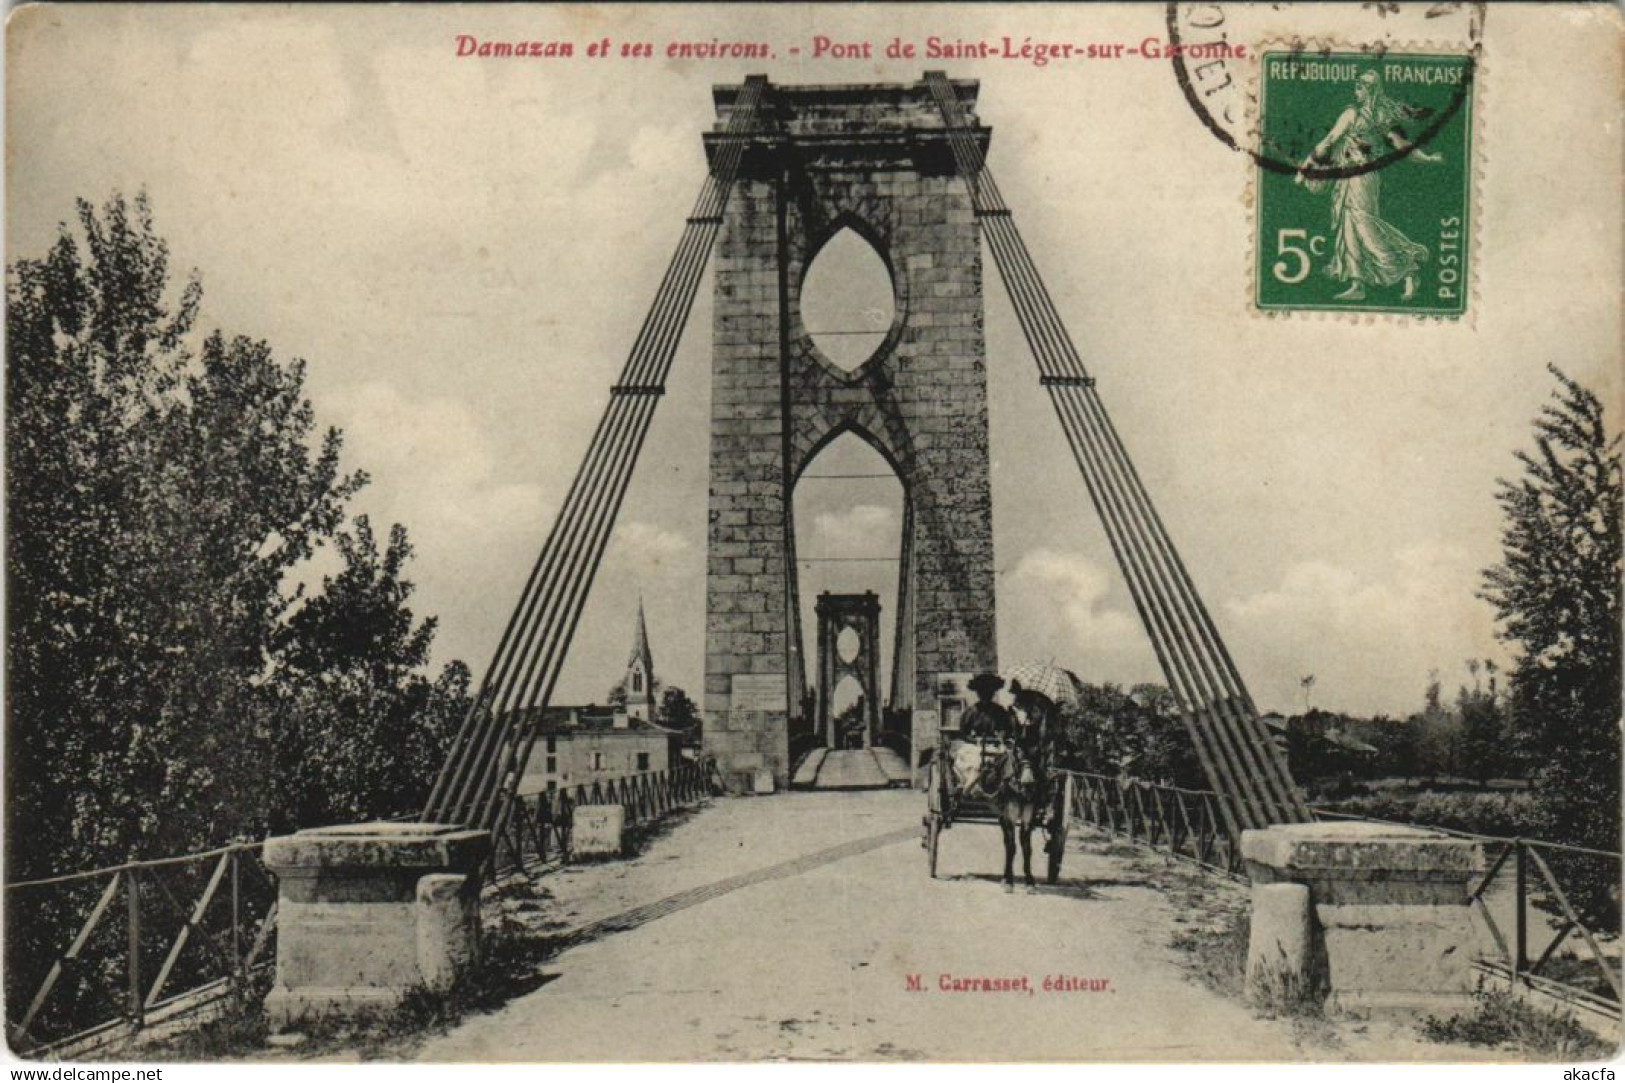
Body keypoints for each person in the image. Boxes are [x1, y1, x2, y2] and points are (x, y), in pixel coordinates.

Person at [1298, 70, 1442, 302]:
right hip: (1349, 176)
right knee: (1349, 226)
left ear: (1371, 90)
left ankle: (1407, 266)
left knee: (1364, 225)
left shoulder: (1374, 115)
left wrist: (1426, 158)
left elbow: (1400, 145)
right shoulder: (1359, 114)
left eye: (1361, 87)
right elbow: (1331, 140)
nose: (1357, 91)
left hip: (1364, 179)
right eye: (1356, 87)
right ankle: (1357, 283)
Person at [959, 672, 1012, 740]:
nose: (986, 695)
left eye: (989, 692)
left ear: (993, 693)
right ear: (978, 693)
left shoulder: (1000, 711)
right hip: (974, 746)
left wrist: (1001, 736)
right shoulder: (969, 712)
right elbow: (963, 733)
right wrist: (972, 739)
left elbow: (1006, 729)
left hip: (995, 746)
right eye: (982, 691)